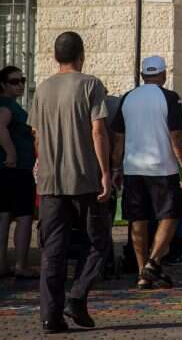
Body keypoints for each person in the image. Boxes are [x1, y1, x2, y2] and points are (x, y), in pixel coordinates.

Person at [29, 32, 113, 333]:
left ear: (55, 57)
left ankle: (50, 316)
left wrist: (45, 166)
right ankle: (76, 296)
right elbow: (98, 131)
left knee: (53, 249)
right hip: (84, 177)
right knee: (98, 241)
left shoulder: (42, 89)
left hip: (50, 181)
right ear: (82, 55)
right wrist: (106, 171)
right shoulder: (90, 84)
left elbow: (36, 136)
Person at [110, 56, 182, 290]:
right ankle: (153, 262)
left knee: (138, 219)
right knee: (170, 215)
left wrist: (116, 167)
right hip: (162, 166)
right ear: (164, 74)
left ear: (143, 74)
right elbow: (176, 135)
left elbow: (118, 138)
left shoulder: (128, 98)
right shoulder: (169, 98)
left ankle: (141, 272)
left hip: (133, 166)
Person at [0, 65, 37, 279]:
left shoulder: (7, 104)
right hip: (14, 169)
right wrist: (11, 153)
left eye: (22, 80)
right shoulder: (6, 105)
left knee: (4, 214)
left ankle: (1, 266)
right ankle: (21, 265)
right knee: (24, 215)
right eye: (15, 81)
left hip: (4, 169)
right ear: (3, 85)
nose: (21, 85)